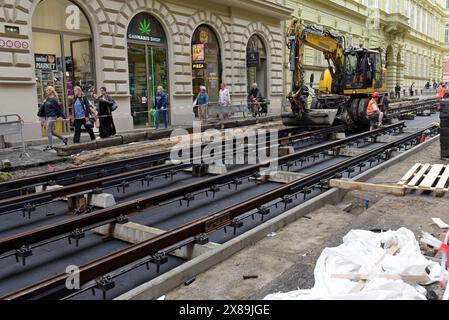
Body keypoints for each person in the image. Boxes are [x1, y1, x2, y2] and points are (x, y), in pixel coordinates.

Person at [38, 86, 68, 151]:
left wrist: (64, 118)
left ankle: (50, 146)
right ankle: (63, 139)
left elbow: (58, 109)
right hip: (48, 116)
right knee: (51, 132)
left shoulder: (54, 99)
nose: (46, 92)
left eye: (47, 91)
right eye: (46, 91)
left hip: (52, 116)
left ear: (51, 91)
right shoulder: (47, 99)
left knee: (48, 131)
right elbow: (44, 109)